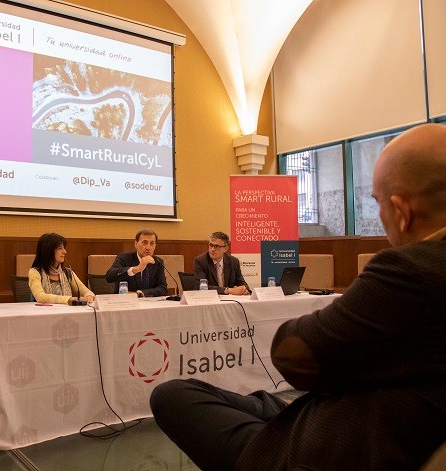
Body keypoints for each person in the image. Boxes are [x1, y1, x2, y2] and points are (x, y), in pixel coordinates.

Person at [150, 123, 446, 470]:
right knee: (260, 400)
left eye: (377, 203)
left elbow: (292, 354)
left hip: (322, 447)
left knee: (171, 395)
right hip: (344, 414)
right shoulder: (425, 273)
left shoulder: (411, 270)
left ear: (401, 212)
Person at [28, 233, 95, 305]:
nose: (65, 252)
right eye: (60, 248)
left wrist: (89, 296)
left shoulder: (67, 272)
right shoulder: (35, 272)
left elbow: (85, 291)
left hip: (66, 311)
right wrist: (69, 299)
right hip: (44, 311)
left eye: (64, 248)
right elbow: (41, 297)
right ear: (48, 251)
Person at [105, 229, 168, 297]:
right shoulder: (125, 258)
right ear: (136, 244)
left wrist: (141, 293)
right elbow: (109, 277)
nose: (148, 247)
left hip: (148, 301)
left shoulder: (158, 262)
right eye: (144, 243)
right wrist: (136, 269)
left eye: (152, 243)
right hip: (125, 301)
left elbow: (163, 288)